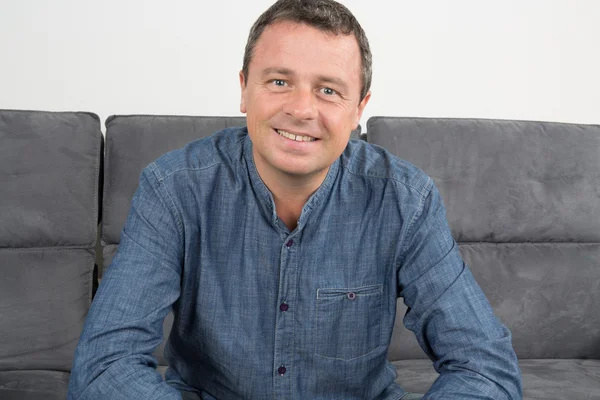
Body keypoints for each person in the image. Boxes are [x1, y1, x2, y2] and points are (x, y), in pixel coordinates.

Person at [68, 0, 522, 399]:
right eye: (280, 81)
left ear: (359, 108)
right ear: (245, 89)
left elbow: (485, 368)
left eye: (328, 90)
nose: (302, 109)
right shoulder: (173, 189)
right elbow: (104, 365)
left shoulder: (407, 200)